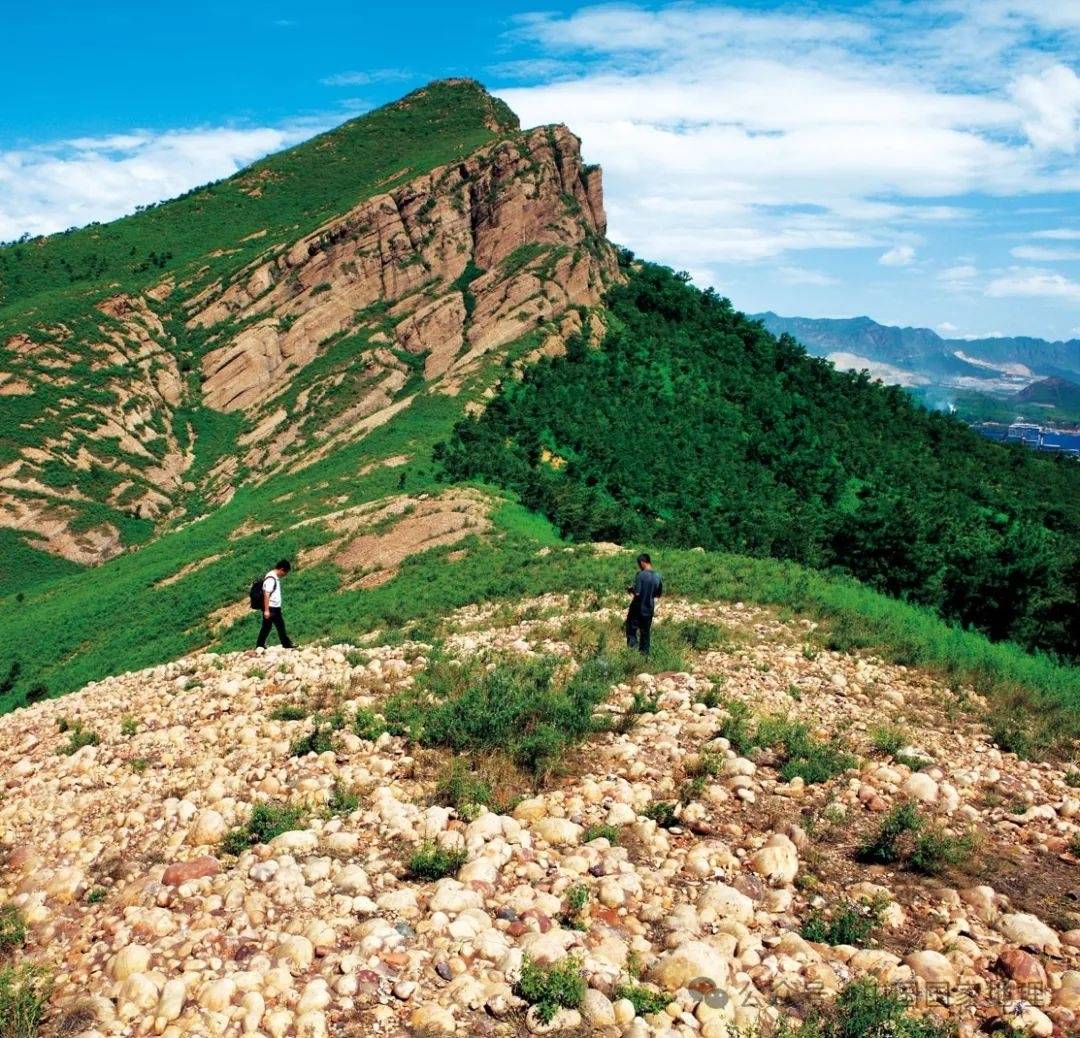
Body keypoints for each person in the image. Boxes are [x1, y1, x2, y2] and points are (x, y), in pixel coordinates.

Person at [626, 553, 663, 655]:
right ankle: (645, 656)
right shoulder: (658, 576)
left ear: (642, 562)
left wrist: (631, 589)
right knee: (645, 633)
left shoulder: (640, 575)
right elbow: (658, 594)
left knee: (631, 630)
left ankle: (632, 654)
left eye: (639, 564)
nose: (639, 566)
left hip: (637, 608)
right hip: (649, 609)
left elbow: (637, 593)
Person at [257, 559, 295, 649]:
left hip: (274, 607)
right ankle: (287, 645)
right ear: (281, 569)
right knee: (280, 626)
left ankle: (260, 645)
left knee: (266, 627)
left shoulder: (273, 577)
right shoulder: (271, 578)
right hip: (272, 608)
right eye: (284, 573)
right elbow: (266, 594)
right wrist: (266, 610)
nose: (284, 575)